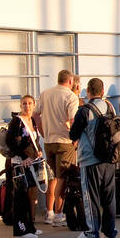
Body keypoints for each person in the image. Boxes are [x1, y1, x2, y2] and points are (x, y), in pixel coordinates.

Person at [67, 78, 120, 238]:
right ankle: (109, 232)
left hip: (90, 159)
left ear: (88, 91)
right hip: (110, 159)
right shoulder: (110, 107)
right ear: (102, 91)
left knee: (91, 197)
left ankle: (91, 233)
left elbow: (73, 134)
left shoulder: (85, 110)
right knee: (109, 196)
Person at [34, 70, 79, 227]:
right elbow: (73, 120)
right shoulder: (70, 96)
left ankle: (50, 211)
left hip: (49, 141)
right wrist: (75, 138)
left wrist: (42, 131)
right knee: (63, 177)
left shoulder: (45, 93)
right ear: (70, 81)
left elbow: (36, 114)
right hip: (64, 141)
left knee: (54, 177)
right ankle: (59, 214)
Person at [5, 95, 44, 238]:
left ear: (34, 105)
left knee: (30, 196)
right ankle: (20, 229)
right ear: (21, 106)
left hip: (32, 163)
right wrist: (23, 157)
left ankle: (30, 226)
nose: (27, 106)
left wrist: (37, 152)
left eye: (29, 103)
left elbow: (34, 140)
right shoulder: (17, 122)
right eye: (24, 104)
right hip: (19, 164)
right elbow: (11, 142)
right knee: (20, 196)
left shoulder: (32, 120)